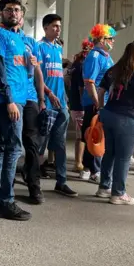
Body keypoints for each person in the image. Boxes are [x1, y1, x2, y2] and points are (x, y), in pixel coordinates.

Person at [0, 0, 31, 220]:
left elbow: (24, 71)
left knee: (2, 149)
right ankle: (6, 201)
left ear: (22, 14)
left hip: (18, 99)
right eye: (9, 9)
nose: (14, 13)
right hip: (8, 101)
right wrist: (9, 99)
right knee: (13, 149)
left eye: (17, 10)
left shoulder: (21, 39)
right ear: (2, 13)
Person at [96, 41, 134, 204]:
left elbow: (101, 91)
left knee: (110, 153)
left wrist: (101, 109)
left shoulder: (113, 70)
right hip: (127, 118)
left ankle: (104, 187)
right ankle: (118, 193)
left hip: (108, 113)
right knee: (123, 157)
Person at [37, 14, 77, 197]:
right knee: (40, 144)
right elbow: (37, 77)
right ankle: (33, 179)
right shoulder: (39, 48)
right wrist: (48, 94)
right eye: (54, 26)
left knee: (60, 145)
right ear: (45, 28)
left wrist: (64, 100)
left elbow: (59, 76)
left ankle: (61, 181)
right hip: (47, 103)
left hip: (61, 104)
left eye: (59, 26)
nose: (58, 29)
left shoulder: (58, 49)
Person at [79, 24, 116, 183]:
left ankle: (90, 167)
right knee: (95, 135)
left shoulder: (106, 56)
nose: (112, 41)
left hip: (105, 101)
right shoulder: (94, 57)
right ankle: (94, 169)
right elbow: (89, 82)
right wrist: (97, 103)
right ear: (101, 39)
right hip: (95, 103)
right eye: (110, 39)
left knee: (96, 134)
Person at [19, 16, 48, 205]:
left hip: (30, 98)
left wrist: (41, 99)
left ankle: (34, 185)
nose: (15, 15)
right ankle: (0, 184)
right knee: (8, 144)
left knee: (32, 143)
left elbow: (38, 71)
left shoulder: (30, 42)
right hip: (11, 97)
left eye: (18, 11)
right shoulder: (0, 37)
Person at [68, 39, 92, 172]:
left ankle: (79, 160)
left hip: (75, 103)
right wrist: (85, 103)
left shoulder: (77, 63)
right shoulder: (82, 65)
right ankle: (78, 162)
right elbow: (81, 88)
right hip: (80, 105)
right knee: (81, 135)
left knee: (82, 134)